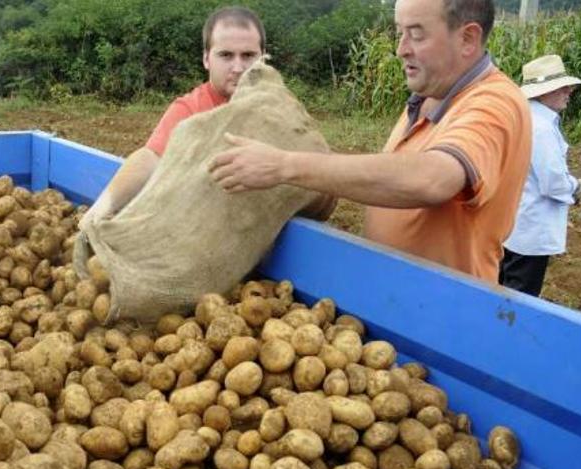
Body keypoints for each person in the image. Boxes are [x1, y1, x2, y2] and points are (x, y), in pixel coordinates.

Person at [209, 0, 532, 283]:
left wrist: (284, 165)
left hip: (445, 313)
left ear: (467, 38)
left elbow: (432, 179)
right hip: (396, 297)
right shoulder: (428, 97)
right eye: (399, 32)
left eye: (416, 34)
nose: (401, 48)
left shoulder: (495, 102)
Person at [79, 6, 265, 228]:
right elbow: (151, 158)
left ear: (263, 58)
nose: (238, 67)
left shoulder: (281, 111)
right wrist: (103, 206)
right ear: (207, 59)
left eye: (248, 55)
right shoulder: (191, 109)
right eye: (225, 55)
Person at [499, 54, 581, 296]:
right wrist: (576, 186)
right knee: (521, 299)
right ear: (543, 92)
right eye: (561, 88)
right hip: (531, 231)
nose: (569, 91)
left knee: (501, 289)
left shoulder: (526, 118)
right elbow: (553, 183)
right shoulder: (542, 129)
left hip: (514, 222)